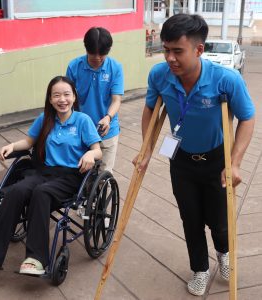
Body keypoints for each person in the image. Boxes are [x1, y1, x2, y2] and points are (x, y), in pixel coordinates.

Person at [133, 14, 255, 296]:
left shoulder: (226, 80)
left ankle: (223, 252)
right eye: (166, 50)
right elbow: (151, 109)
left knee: (219, 221)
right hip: (181, 159)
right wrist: (146, 149)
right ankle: (200, 268)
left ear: (199, 50)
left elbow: (247, 118)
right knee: (190, 218)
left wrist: (235, 163)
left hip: (217, 161)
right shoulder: (160, 76)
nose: (170, 58)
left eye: (178, 51)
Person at [0, 76, 102, 275]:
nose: (62, 99)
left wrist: (91, 153)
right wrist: (12, 146)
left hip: (71, 176)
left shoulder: (83, 121)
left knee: (41, 193)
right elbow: (29, 142)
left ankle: (36, 258)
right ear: (50, 99)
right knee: (16, 190)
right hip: (43, 171)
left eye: (66, 94)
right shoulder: (45, 119)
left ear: (74, 97)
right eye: (56, 95)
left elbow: (97, 150)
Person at [66, 27, 124, 173]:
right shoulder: (74, 67)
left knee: (104, 173)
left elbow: (116, 99)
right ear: (86, 48)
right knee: (82, 172)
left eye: (102, 56)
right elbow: (68, 99)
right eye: (93, 55)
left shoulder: (115, 68)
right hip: (82, 130)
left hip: (106, 130)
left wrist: (108, 117)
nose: (98, 59)